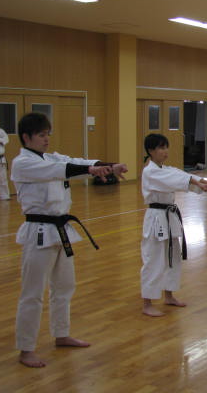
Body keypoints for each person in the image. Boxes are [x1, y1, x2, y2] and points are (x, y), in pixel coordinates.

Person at [11, 112, 128, 368]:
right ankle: (26, 349)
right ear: (26, 137)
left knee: (64, 286)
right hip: (38, 230)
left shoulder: (52, 157)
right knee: (33, 293)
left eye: (47, 134)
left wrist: (110, 166)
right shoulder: (23, 163)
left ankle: (61, 334)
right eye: (41, 135)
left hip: (60, 229)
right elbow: (60, 170)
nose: (46, 139)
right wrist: (89, 169)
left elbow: (76, 162)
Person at [140, 133, 207, 316]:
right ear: (151, 151)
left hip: (170, 215)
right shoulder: (150, 171)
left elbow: (181, 175)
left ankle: (169, 295)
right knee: (154, 259)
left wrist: (204, 183)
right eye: (161, 148)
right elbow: (174, 179)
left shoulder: (166, 169)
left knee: (173, 256)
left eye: (166, 147)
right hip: (156, 217)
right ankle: (147, 303)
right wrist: (197, 182)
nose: (165, 151)